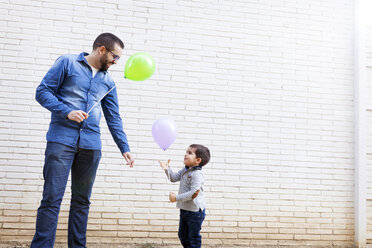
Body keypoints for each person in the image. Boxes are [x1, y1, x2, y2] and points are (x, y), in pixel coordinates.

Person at [31, 33, 134, 248]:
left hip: (91, 147)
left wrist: (124, 147)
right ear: (102, 49)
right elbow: (42, 92)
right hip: (61, 142)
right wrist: (67, 112)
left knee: (82, 201)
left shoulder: (108, 81)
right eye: (115, 57)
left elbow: (113, 117)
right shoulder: (67, 62)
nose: (116, 63)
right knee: (51, 199)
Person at [159, 144, 211, 248]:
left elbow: (193, 193)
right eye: (186, 152)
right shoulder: (185, 170)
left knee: (193, 238)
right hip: (184, 209)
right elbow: (173, 178)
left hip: (195, 213)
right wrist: (167, 169)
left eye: (190, 153)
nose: (185, 155)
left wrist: (176, 198)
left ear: (198, 160)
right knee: (183, 235)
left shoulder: (197, 174)